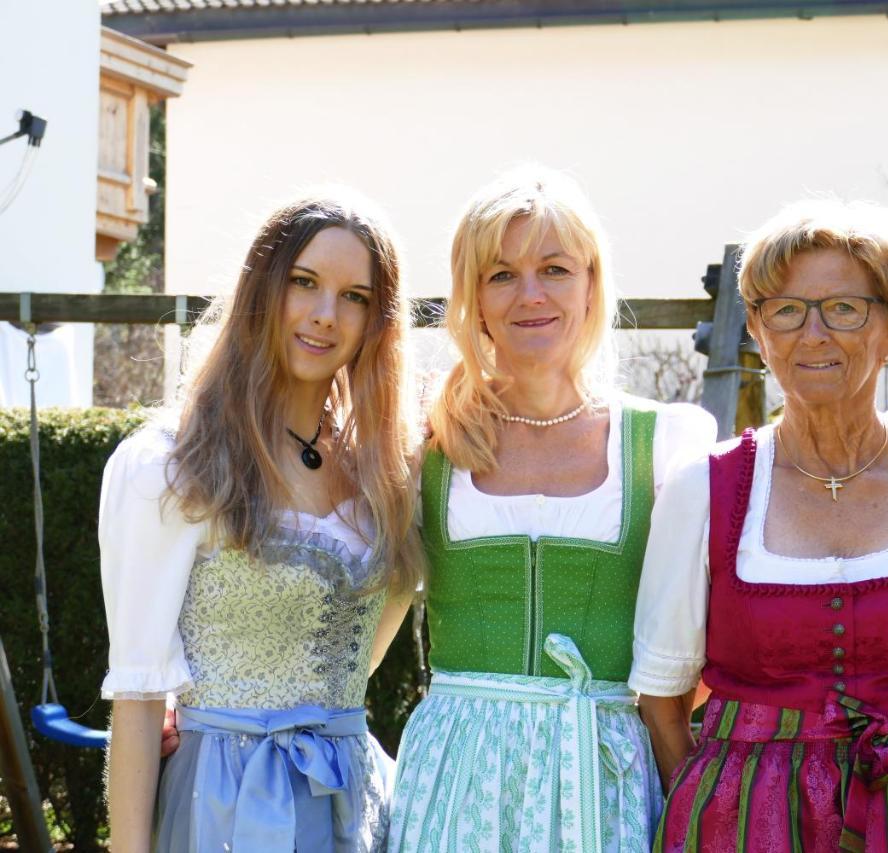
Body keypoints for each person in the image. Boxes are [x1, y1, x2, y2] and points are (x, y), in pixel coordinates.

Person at [629, 199, 888, 852]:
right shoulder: (703, 486)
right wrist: (716, 808)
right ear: (757, 329)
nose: (812, 334)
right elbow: (663, 699)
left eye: (843, 308)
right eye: (786, 310)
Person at [385, 168, 718, 852]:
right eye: (501, 274)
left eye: (555, 269)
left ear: (592, 283)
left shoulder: (665, 442)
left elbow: (707, 637)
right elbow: (353, 630)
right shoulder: (424, 443)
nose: (530, 294)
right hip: (457, 777)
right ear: (472, 297)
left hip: (605, 771)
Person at [100, 196, 424, 853]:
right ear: (263, 288)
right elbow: (137, 698)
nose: (324, 315)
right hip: (224, 804)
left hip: (348, 798)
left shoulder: (385, 469)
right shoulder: (171, 463)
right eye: (303, 283)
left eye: (355, 296)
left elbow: (360, 654)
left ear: (376, 321)